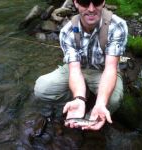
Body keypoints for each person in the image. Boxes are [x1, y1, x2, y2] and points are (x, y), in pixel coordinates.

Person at [34, 0, 128, 131]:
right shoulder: (68, 31)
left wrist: (101, 102)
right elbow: (74, 70)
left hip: (103, 70)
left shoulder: (117, 25)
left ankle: (92, 118)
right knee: (42, 88)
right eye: (84, 2)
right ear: (76, 3)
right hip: (78, 69)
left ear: (103, 2)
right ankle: (81, 99)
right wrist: (79, 97)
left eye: (96, 2)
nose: (91, 8)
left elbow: (110, 68)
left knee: (113, 100)